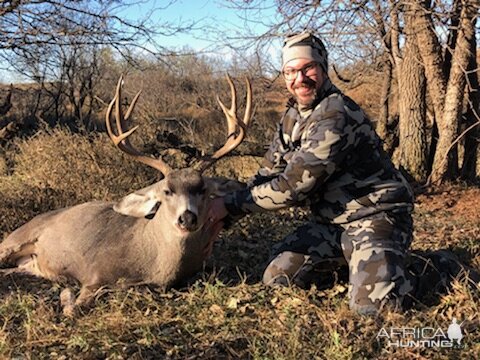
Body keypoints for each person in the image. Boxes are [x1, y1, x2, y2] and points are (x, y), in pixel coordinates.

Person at [207, 31, 475, 315]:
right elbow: (267, 174)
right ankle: (364, 265)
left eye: (307, 68)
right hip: (332, 224)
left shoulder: (335, 114)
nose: (299, 79)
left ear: (322, 67)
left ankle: (437, 268)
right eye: (290, 71)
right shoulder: (292, 117)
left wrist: (228, 204)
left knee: (373, 308)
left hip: (376, 216)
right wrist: (222, 208)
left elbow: (294, 186)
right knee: (277, 277)